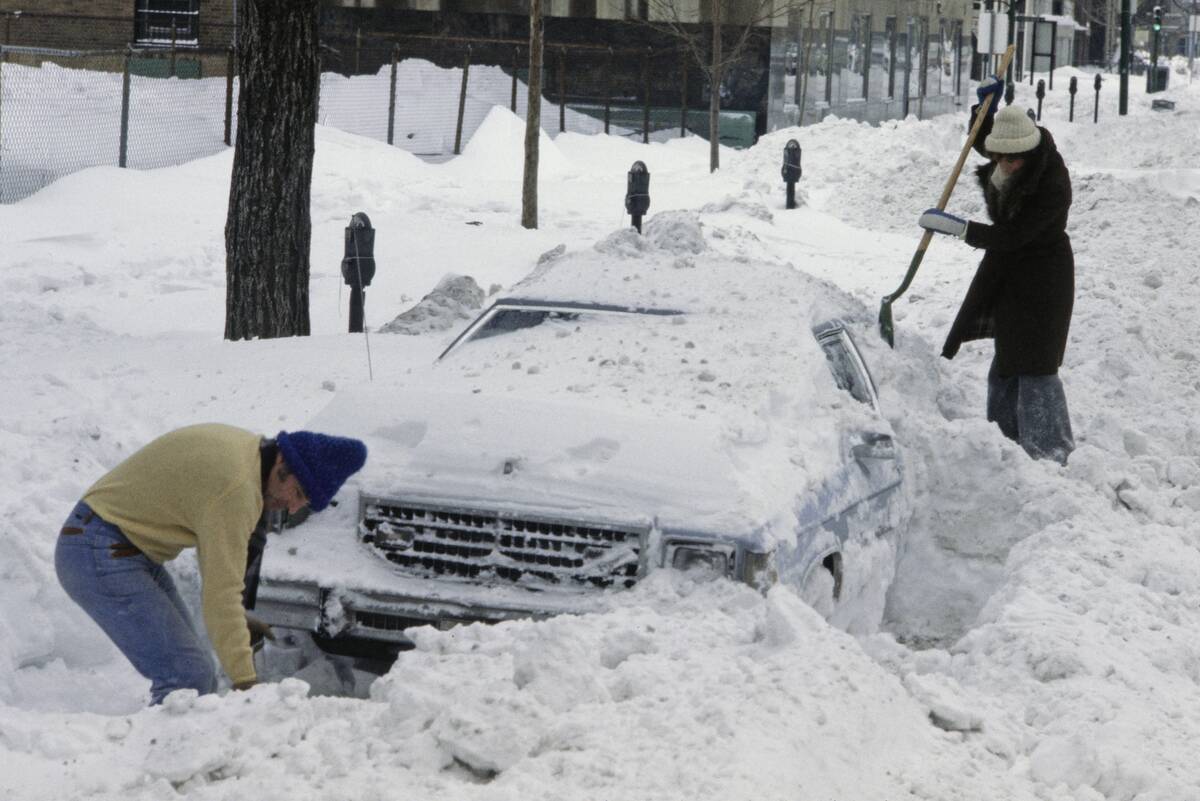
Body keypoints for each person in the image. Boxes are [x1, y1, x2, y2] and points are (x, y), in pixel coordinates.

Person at [55, 424, 367, 704]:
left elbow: (243, 555)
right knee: (186, 678)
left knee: (197, 670)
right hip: (97, 549)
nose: (294, 506)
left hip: (119, 546)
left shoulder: (253, 458)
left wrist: (237, 619)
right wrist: (248, 685)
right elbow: (221, 595)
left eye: (305, 503)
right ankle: (162, 764)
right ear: (283, 462)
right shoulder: (237, 489)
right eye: (298, 492)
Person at [918, 78, 1075, 465]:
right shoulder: (1009, 149)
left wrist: (962, 229)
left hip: (1043, 278)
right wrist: (982, 110)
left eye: (1014, 159)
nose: (1006, 165)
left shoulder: (1052, 183)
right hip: (1008, 274)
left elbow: (1014, 236)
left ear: (1029, 151)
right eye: (1001, 158)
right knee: (1007, 356)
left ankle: (1051, 452)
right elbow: (982, 137)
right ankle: (1002, 444)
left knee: (1036, 364)